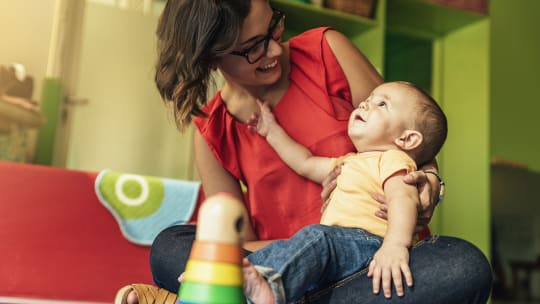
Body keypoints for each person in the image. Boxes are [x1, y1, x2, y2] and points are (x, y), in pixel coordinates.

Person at [117, 0, 492, 303]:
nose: (275, 49)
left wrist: (428, 180)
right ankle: (273, 289)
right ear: (210, 58)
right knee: (170, 246)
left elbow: (410, 132)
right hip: (281, 263)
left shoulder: (327, 50)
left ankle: (216, 298)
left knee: (464, 266)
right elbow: (233, 240)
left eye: (273, 27)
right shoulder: (213, 131)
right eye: (252, 47)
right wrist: (305, 252)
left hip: (373, 260)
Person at [242, 81, 447, 303]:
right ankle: (241, 276)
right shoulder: (349, 162)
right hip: (343, 247)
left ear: (406, 139)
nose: (365, 104)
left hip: (372, 245)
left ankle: (267, 289)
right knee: (294, 246)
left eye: (381, 104)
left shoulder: (393, 159)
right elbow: (305, 163)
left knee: (317, 237)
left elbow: (403, 198)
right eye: (369, 98)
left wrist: (395, 245)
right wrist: (271, 131)